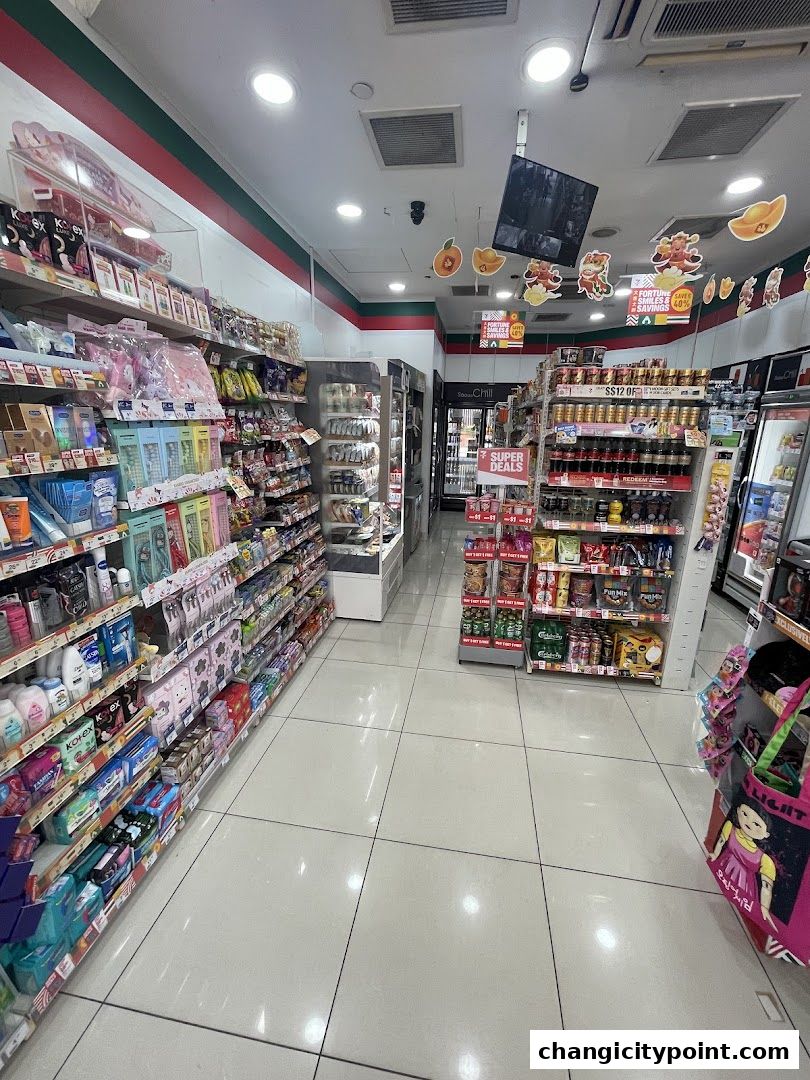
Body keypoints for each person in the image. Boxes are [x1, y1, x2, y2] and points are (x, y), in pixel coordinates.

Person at [709, 801, 777, 928]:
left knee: (732, 912)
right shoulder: (730, 827)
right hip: (723, 867)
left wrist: (764, 907)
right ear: (738, 810)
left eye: (757, 824)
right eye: (745, 814)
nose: (748, 822)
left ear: (766, 834)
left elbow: (767, 886)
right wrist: (714, 855)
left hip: (745, 885)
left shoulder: (765, 859)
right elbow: (721, 841)